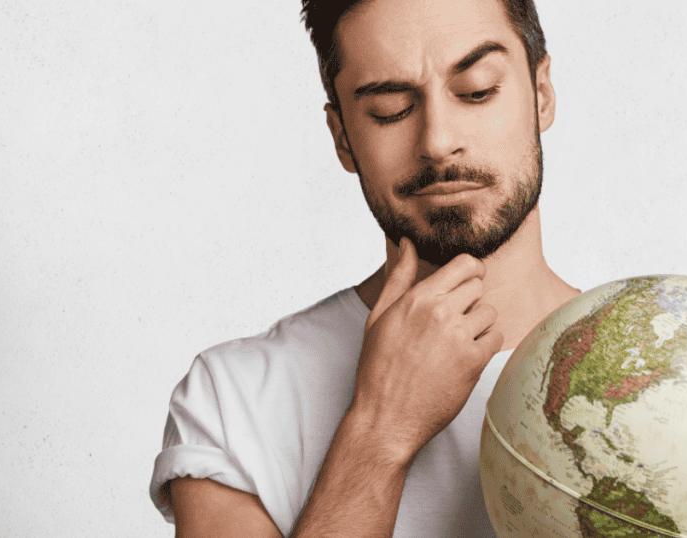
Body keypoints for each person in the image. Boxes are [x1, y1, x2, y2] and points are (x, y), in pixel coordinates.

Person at [149, 0, 578, 535]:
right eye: (390, 109)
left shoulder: (667, 372)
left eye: (476, 91)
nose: (438, 141)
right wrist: (381, 430)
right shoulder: (236, 400)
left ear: (541, 94)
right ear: (343, 138)